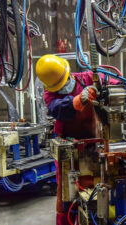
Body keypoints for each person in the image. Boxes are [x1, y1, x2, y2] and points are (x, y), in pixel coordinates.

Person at [35, 54, 119, 225]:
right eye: (57, 87)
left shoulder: (88, 78)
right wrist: (80, 98)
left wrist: (124, 91)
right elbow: (58, 109)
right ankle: (66, 221)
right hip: (69, 148)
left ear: (69, 74)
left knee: (99, 185)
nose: (62, 87)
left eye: (64, 82)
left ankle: (96, 217)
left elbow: (117, 85)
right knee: (67, 193)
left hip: (94, 142)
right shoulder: (49, 95)